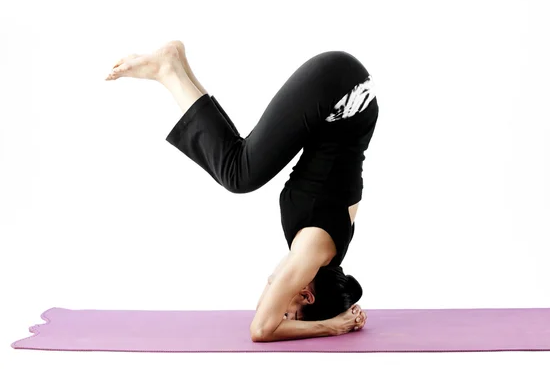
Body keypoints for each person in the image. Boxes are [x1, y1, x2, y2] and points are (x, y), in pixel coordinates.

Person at [105, 41, 379, 342]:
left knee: (239, 163)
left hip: (343, 93)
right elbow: (262, 328)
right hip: (340, 92)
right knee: (238, 174)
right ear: (307, 296)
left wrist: (327, 314)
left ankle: (177, 66)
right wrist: (332, 326)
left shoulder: (316, 253)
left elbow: (268, 298)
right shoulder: (313, 251)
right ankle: (169, 70)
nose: (283, 317)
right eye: (291, 317)